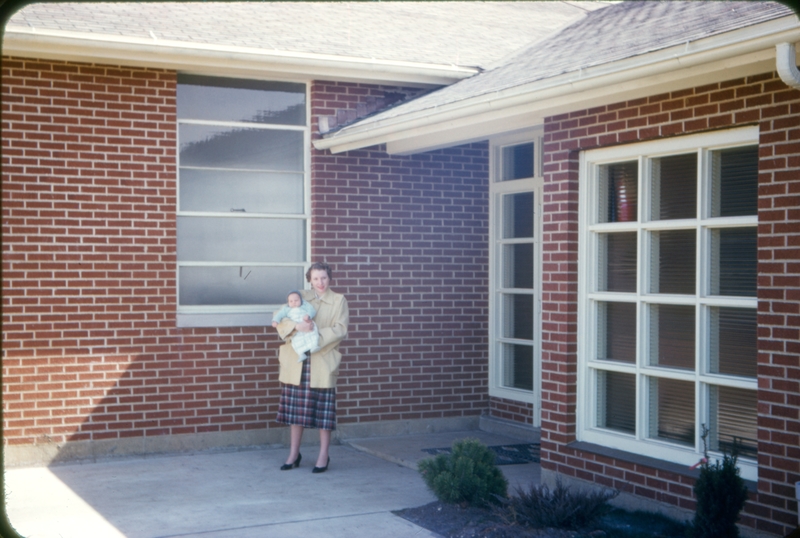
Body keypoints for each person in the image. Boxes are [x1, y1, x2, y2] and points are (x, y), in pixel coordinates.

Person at [273, 261, 349, 473]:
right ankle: (293, 454)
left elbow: (341, 329)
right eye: (315, 278)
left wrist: (315, 336)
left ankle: (323, 455)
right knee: (295, 413)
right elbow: (280, 319)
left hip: (322, 360)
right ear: (309, 280)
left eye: (323, 277)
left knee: (324, 413)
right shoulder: (299, 297)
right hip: (297, 361)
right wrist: (297, 326)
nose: (320, 282)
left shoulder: (339, 300)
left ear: (329, 277)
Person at [271, 291, 319, 361]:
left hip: (307, 323)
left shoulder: (305, 305)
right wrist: (275, 321)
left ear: (301, 300)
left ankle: (314, 346)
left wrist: (308, 315)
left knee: (312, 333)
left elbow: (311, 310)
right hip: (296, 327)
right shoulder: (286, 309)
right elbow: (279, 314)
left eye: (296, 300)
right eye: (291, 301)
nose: (294, 302)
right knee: (295, 340)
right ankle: (300, 353)